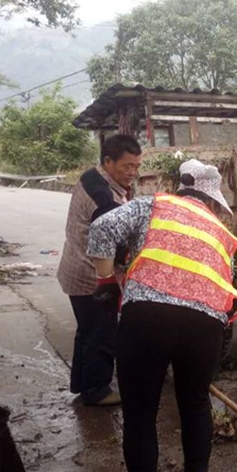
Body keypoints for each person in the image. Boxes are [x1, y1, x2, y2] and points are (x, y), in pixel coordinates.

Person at [87, 159, 237, 472]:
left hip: (146, 317)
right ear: (212, 200)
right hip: (205, 325)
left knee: (140, 412)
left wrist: (106, 279)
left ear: (180, 187)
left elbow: (102, 228)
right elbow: (224, 284)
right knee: (195, 403)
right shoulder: (221, 233)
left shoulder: (152, 205)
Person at [57, 133, 142, 406]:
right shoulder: (103, 199)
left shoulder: (92, 177)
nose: (132, 173)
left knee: (87, 330)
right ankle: (97, 390)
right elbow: (117, 249)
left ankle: (82, 383)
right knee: (102, 333)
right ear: (108, 161)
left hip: (75, 268)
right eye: (126, 166)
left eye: (136, 166)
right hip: (92, 278)